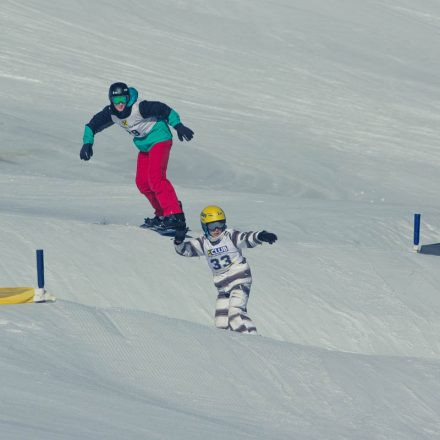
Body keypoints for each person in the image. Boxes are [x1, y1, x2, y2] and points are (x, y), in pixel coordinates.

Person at [80, 82, 194, 233]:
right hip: (144, 146)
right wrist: (87, 143)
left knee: (156, 178)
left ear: (128, 98)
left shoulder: (140, 107)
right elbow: (92, 125)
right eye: (116, 100)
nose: (120, 104)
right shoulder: (111, 113)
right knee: (142, 183)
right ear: (110, 100)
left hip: (160, 138)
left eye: (123, 99)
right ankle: (162, 215)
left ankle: (175, 215)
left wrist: (178, 125)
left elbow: (164, 109)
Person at [173, 205, 277, 334]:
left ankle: (254, 342)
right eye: (212, 226)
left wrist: (261, 236)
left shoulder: (230, 236)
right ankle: (232, 347)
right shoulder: (203, 243)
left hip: (239, 279)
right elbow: (185, 250)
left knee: (236, 314)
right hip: (222, 287)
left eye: (220, 224)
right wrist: (178, 241)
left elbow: (246, 238)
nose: (217, 229)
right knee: (221, 323)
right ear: (205, 227)